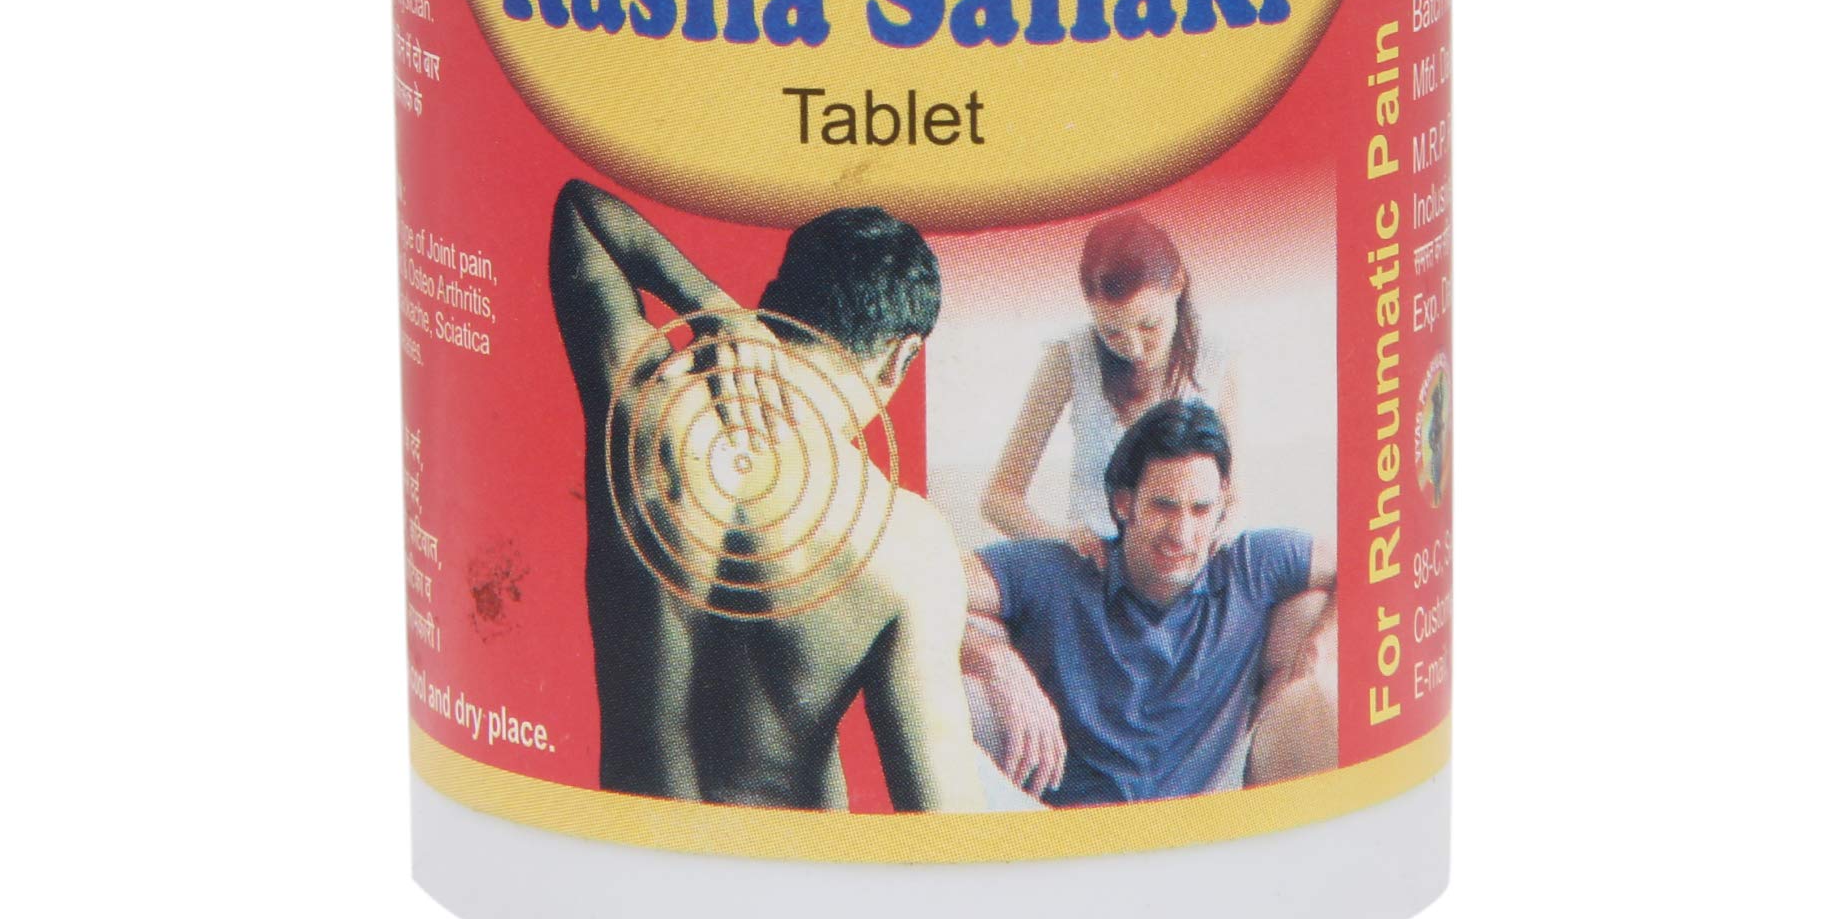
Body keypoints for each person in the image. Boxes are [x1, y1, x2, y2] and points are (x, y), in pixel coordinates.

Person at [550, 180, 984, 811]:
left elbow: (583, 215)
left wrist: (713, 305)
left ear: (771, 304)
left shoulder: (647, 400)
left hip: (637, 844)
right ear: (902, 356)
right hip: (790, 863)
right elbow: (946, 824)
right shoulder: (905, 541)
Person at [962, 400, 1335, 806]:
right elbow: (925, 580)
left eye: (1201, 509)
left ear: (1222, 505)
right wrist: (997, 663)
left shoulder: (1248, 567)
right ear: (1124, 503)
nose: (1182, 533)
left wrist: (1319, 645)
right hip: (1063, 826)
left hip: (1203, 824)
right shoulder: (1060, 569)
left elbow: (1366, 560)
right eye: (1164, 506)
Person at [981, 211, 1241, 565]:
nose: (1134, 349)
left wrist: (1225, 526)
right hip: (1093, 566)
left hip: (1181, 564)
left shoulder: (1215, 357)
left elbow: (1232, 496)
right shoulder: (1070, 357)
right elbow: (998, 498)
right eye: (1112, 332)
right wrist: (1061, 540)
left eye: (1149, 325)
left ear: (1178, 283)